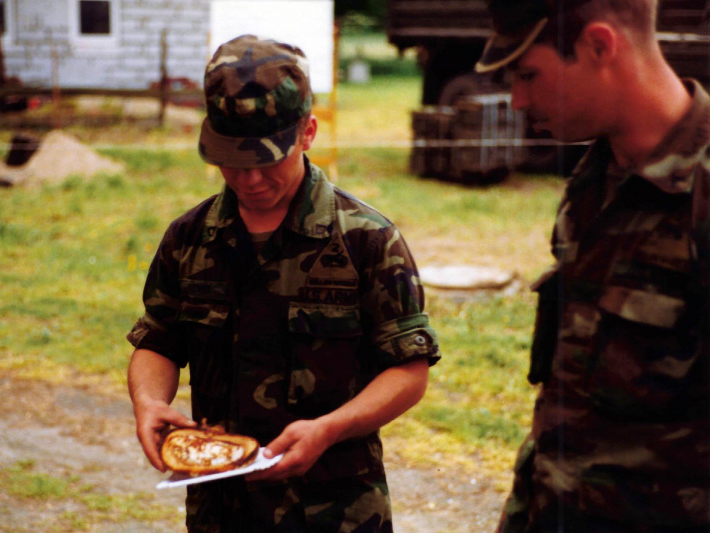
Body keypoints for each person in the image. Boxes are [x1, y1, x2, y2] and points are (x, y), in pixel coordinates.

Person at [126, 34, 440, 532]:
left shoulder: (366, 240)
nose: (249, 179)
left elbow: (408, 370)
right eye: (233, 159)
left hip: (334, 513)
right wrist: (149, 402)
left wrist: (329, 429)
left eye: (268, 158)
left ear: (308, 132)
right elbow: (159, 340)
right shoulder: (189, 237)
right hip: (221, 513)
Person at [474, 0, 710, 531]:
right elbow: (569, 405)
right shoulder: (595, 179)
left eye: (528, 75)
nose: (517, 101)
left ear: (600, 46)